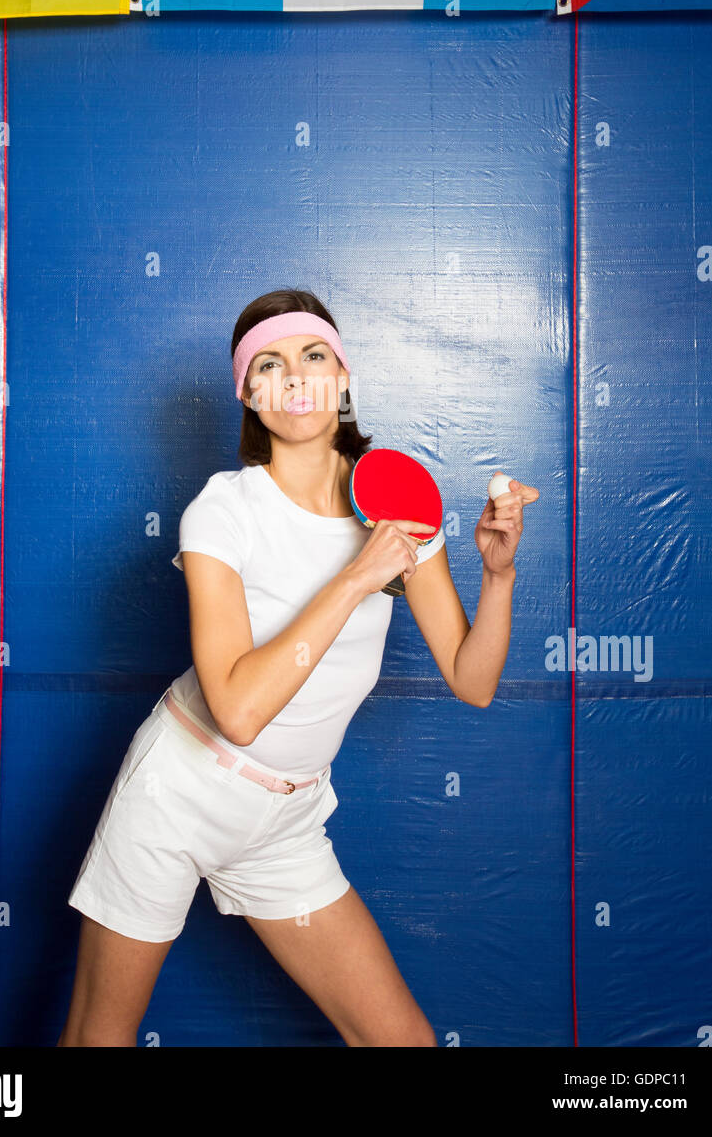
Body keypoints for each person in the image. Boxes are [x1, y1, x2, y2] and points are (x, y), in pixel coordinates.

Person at [57, 286, 538, 1047]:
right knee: (99, 1039)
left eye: (314, 357)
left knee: (402, 1041)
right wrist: (354, 577)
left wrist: (500, 577)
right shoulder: (224, 510)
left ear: (343, 377)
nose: (297, 379)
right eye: (270, 366)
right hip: (180, 794)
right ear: (250, 394)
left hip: (285, 819)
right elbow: (241, 713)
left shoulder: (396, 504)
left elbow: (471, 680)